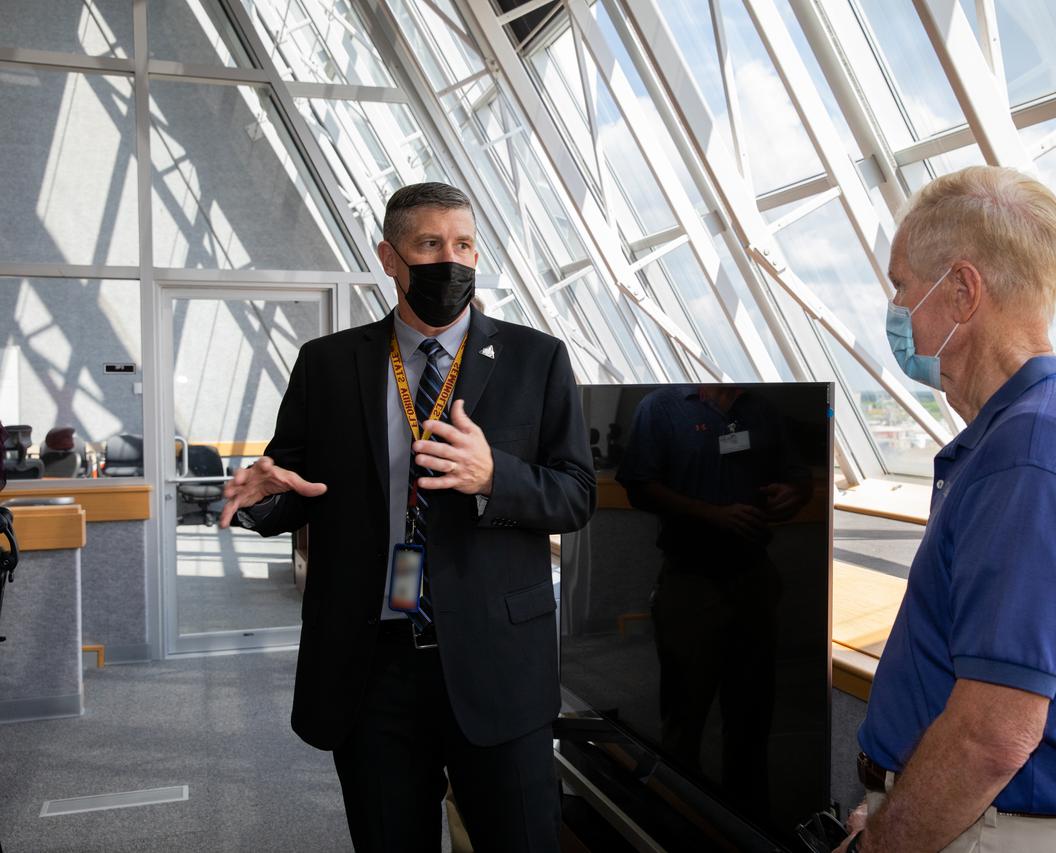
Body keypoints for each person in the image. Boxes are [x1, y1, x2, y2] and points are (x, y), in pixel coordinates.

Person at [219, 181, 596, 852]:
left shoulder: (537, 359)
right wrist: (262, 494)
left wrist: (494, 476)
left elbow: (575, 495)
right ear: (389, 258)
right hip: (372, 669)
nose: (450, 260)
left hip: (496, 664)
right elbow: (290, 484)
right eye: (429, 244)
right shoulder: (329, 365)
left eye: (464, 244)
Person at [838, 166, 1056, 852]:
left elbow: (991, 734)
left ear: (961, 291)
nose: (894, 308)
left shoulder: (1033, 455)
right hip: (968, 823)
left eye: (900, 285)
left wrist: (882, 842)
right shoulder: (1030, 432)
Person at [616, 384, 811, 815]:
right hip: (690, 580)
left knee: (752, 716)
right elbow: (638, 485)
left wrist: (794, 494)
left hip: (753, 578)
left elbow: (800, 479)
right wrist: (713, 515)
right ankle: (676, 819)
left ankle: (749, 822)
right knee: (685, 715)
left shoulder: (763, 410)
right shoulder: (662, 407)